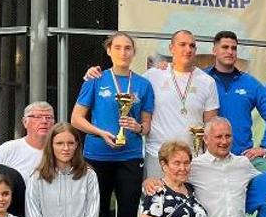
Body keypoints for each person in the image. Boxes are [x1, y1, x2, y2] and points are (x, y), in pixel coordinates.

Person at [72, 31, 154, 217]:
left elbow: (147, 126)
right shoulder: (95, 79)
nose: (123, 52)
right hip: (97, 156)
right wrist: (100, 132)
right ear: (109, 51)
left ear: (134, 52)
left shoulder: (142, 85)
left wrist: (137, 127)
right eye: (117, 47)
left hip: (129, 157)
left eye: (128, 48)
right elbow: (76, 119)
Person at [84, 29, 219, 178]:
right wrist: (92, 73)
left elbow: (210, 125)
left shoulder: (207, 82)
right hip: (157, 155)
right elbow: (125, 81)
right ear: (171, 48)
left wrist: (208, 158)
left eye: (192, 46)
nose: (188, 49)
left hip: (193, 157)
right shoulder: (153, 76)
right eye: (182, 44)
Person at [206, 30, 266, 170]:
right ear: (214, 50)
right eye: (225, 47)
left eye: (234, 48)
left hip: (244, 157)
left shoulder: (250, 83)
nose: (230, 52)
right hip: (209, 157)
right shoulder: (202, 78)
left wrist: (264, 146)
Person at [0, 101, 55, 181]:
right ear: (25, 122)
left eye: (49, 117)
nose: (44, 121)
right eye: (38, 117)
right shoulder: (7, 150)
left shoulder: (60, 151)